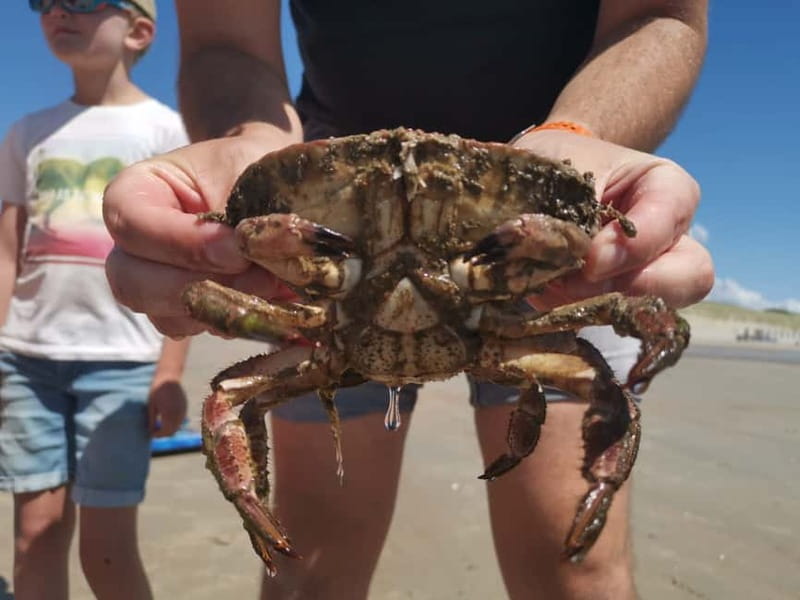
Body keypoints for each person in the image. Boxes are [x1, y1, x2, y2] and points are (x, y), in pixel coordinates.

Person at [103, 1, 714, 598]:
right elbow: (225, 43)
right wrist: (249, 147)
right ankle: (252, 500)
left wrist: (576, 138)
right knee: (306, 570)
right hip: (309, 268)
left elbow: (660, 13)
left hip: (546, 250)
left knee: (574, 566)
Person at [0, 1, 190, 599]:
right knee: (35, 531)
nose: (59, 12)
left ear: (140, 30)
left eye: (82, 1)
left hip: (123, 365)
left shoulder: (167, 133)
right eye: (45, 3)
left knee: (106, 545)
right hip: (25, 358)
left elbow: (184, 267)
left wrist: (170, 372)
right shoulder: (27, 132)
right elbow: (8, 254)